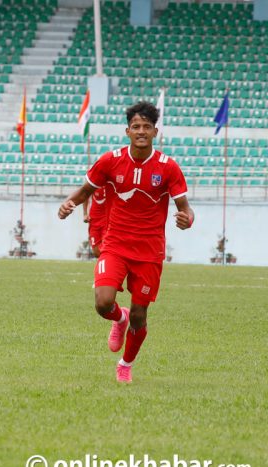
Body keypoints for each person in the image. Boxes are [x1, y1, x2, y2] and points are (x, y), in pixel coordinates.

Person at [58, 101, 194, 383]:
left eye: (146, 127)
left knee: (140, 315)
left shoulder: (168, 167)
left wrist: (187, 218)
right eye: (136, 127)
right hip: (116, 244)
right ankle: (117, 319)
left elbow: (185, 207)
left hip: (149, 251)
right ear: (127, 131)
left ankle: (125, 364)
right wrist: (69, 203)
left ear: (155, 131)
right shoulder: (111, 160)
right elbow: (85, 190)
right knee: (102, 302)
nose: (141, 131)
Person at [82, 184, 113, 257]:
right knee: (96, 252)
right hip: (94, 220)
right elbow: (85, 195)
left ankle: (106, 266)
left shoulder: (112, 183)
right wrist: (85, 214)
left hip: (107, 220)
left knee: (106, 248)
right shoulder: (95, 182)